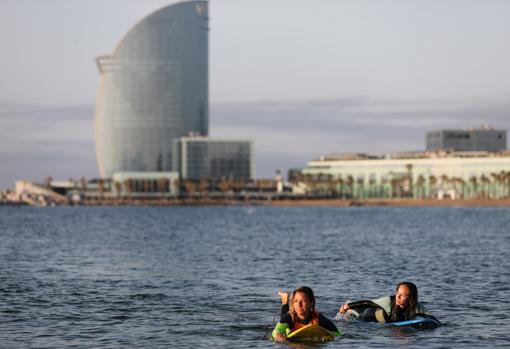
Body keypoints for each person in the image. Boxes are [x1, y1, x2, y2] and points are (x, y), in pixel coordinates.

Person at [338, 281, 440, 323]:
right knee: (359, 314)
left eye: (403, 295)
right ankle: (351, 311)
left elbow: (432, 318)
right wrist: (348, 306)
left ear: (411, 298)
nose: (398, 297)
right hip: (369, 314)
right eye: (397, 293)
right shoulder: (388, 301)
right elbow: (368, 302)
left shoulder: (416, 307)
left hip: (390, 321)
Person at [272, 286, 341, 342]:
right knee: (283, 317)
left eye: (303, 301)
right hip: (289, 326)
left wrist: (328, 336)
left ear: (311, 303)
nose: (299, 305)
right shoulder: (290, 317)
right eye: (296, 301)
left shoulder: (318, 318)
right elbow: (276, 331)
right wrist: (278, 335)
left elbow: (338, 333)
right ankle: (284, 301)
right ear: (293, 303)